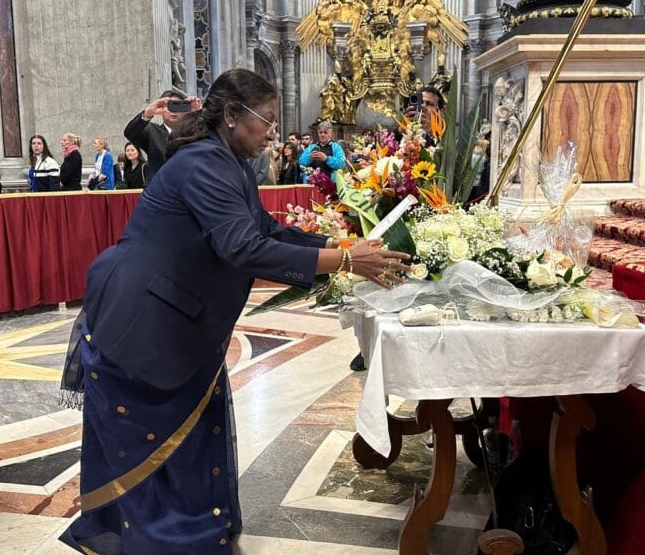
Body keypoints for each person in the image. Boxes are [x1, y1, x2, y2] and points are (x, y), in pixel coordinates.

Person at [58, 68, 410, 555]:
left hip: (178, 314)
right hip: (147, 317)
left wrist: (337, 245)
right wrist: (347, 262)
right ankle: (159, 541)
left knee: (189, 438)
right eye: (265, 120)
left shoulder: (229, 162)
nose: (271, 133)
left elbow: (263, 228)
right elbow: (243, 248)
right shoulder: (203, 162)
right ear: (230, 114)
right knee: (150, 444)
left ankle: (190, 528)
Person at [124, 89, 202, 185]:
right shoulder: (151, 131)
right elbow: (129, 133)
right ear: (161, 109)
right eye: (169, 106)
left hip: (188, 187)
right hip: (158, 187)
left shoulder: (194, 132)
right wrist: (147, 113)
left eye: (177, 106)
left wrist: (198, 115)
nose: (173, 111)